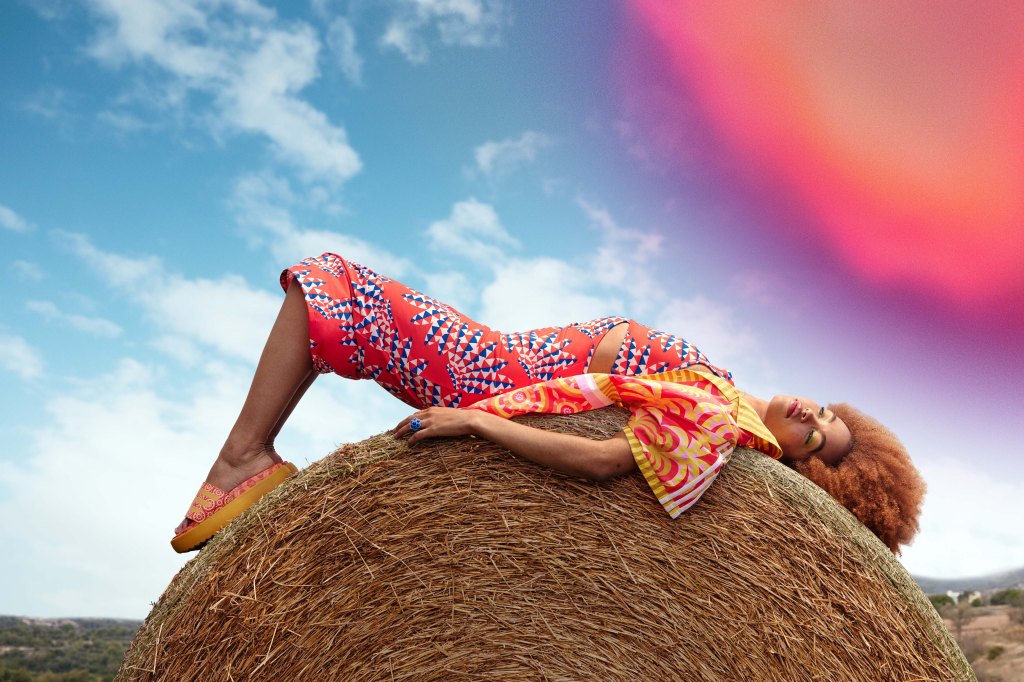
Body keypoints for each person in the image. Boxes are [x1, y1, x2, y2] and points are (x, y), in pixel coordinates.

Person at [171, 253, 924, 555]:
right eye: (829, 415)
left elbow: (603, 463)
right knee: (340, 305)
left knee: (336, 285)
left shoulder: (720, 425)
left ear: (798, 469)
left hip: (492, 379)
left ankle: (242, 460)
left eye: (816, 441)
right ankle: (248, 460)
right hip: (506, 355)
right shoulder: (726, 390)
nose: (813, 417)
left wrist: (477, 419)